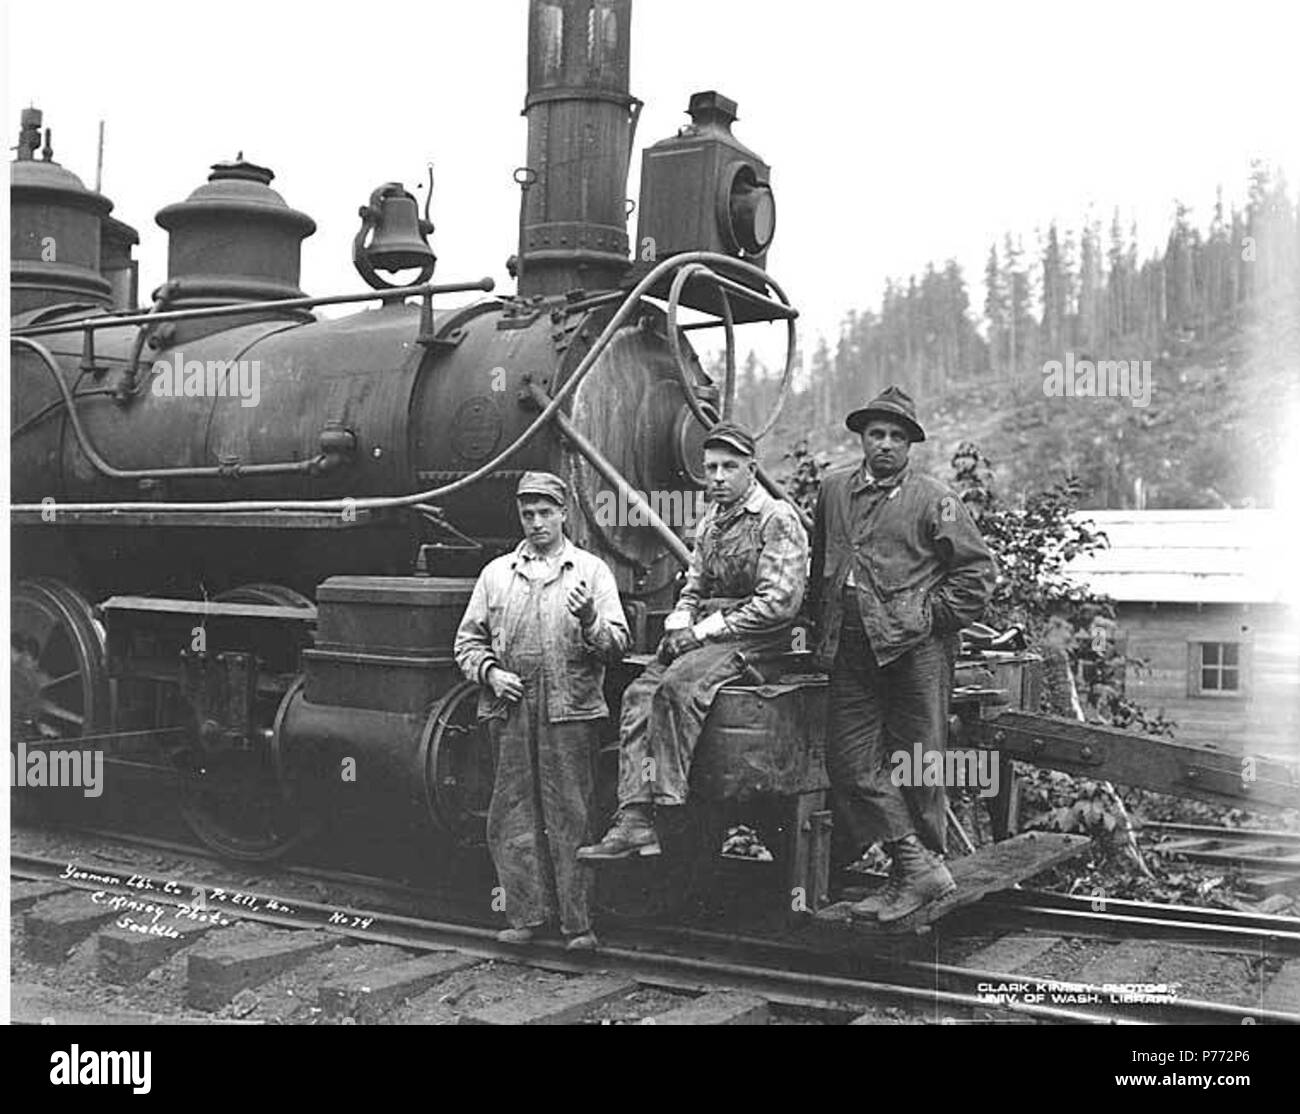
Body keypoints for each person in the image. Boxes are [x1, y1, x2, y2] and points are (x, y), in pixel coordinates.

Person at [578, 421, 808, 860]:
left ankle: (667, 804)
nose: (718, 477)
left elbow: (777, 604)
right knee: (639, 694)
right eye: (711, 468)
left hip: (761, 636)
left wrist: (701, 631)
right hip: (710, 631)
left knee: (677, 688)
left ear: (752, 470)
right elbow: (694, 587)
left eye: (729, 467)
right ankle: (634, 818)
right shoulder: (712, 522)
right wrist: (681, 623)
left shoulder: (777, 519)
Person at [809, 386, 997, 923]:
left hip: (916, 652)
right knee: (848, 761)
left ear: (910, 444)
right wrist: (813, 631)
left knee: (917, 761)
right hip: (849, 648)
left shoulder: (934, 498)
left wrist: (928, 616)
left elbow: (977, 575)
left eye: (896, 436)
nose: (885, 445)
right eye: (876, 434)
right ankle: (914, 866)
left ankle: (909, 875)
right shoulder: (832, 490)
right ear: (862, 438)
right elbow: (822, 562)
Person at [454, 471, 629, 949]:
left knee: (571, 814)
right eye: (527, 514)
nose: (536, 523)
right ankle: (526, 917)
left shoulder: (591, 572)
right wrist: (491, 673)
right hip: (510, 710)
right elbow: (467, 641)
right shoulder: (496, 574)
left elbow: (617, 645)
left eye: (545, 513)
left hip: (570, 710)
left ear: (563, 513)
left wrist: (591, 618)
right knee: (512, 815)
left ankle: (579, 925)